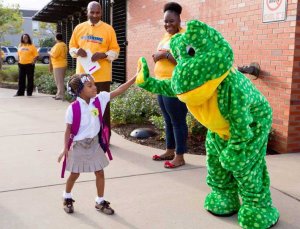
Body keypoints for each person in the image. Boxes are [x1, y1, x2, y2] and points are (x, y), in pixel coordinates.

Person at [57, 72, 137, 214]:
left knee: (100, 172)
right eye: (90, 85)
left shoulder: (100, 99)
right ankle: (67, 197)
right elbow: (68, 130)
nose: (95, 87)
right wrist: (65, 149)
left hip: (94, 144)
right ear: (79, 90)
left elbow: (119, 90)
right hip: (78, 145)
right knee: (75, 173)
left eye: (94, 84)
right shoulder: (73, 108)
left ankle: (100, 201)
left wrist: (135, 77)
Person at [69, 1, 120, 140]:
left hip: (101, 76)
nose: (95, 15)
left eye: (97, 12)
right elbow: (71, 48)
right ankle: (83, 136)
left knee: (102, 109)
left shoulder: (108, 29)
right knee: (82, 108)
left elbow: (116, 51)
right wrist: (77, 51)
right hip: (82, 77)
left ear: (101, 13)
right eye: (92, 12)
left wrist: (103, 55)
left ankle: (104, 138)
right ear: (87, 12)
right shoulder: (79, 28)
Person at [151, 2, 188, 169]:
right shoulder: (165, 37)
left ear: (179, 20)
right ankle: (169, 150)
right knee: (167, 120)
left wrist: (165, 54)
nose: (168, 25)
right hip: (161, 83)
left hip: (174, 84)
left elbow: (185, 62)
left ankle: (179, 156)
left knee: (178, 120)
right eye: (165, 22)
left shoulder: (184, 37)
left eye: (171, 21)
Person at [48, 33, 68, 100]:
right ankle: (58, 94)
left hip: (58, 65)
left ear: (56, 38)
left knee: (59, 81)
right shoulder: (64, 44)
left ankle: (61, 95)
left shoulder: (58, 45)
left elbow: (54, 55)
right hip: (62, 64)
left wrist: (49, 52)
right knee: (59, 80)